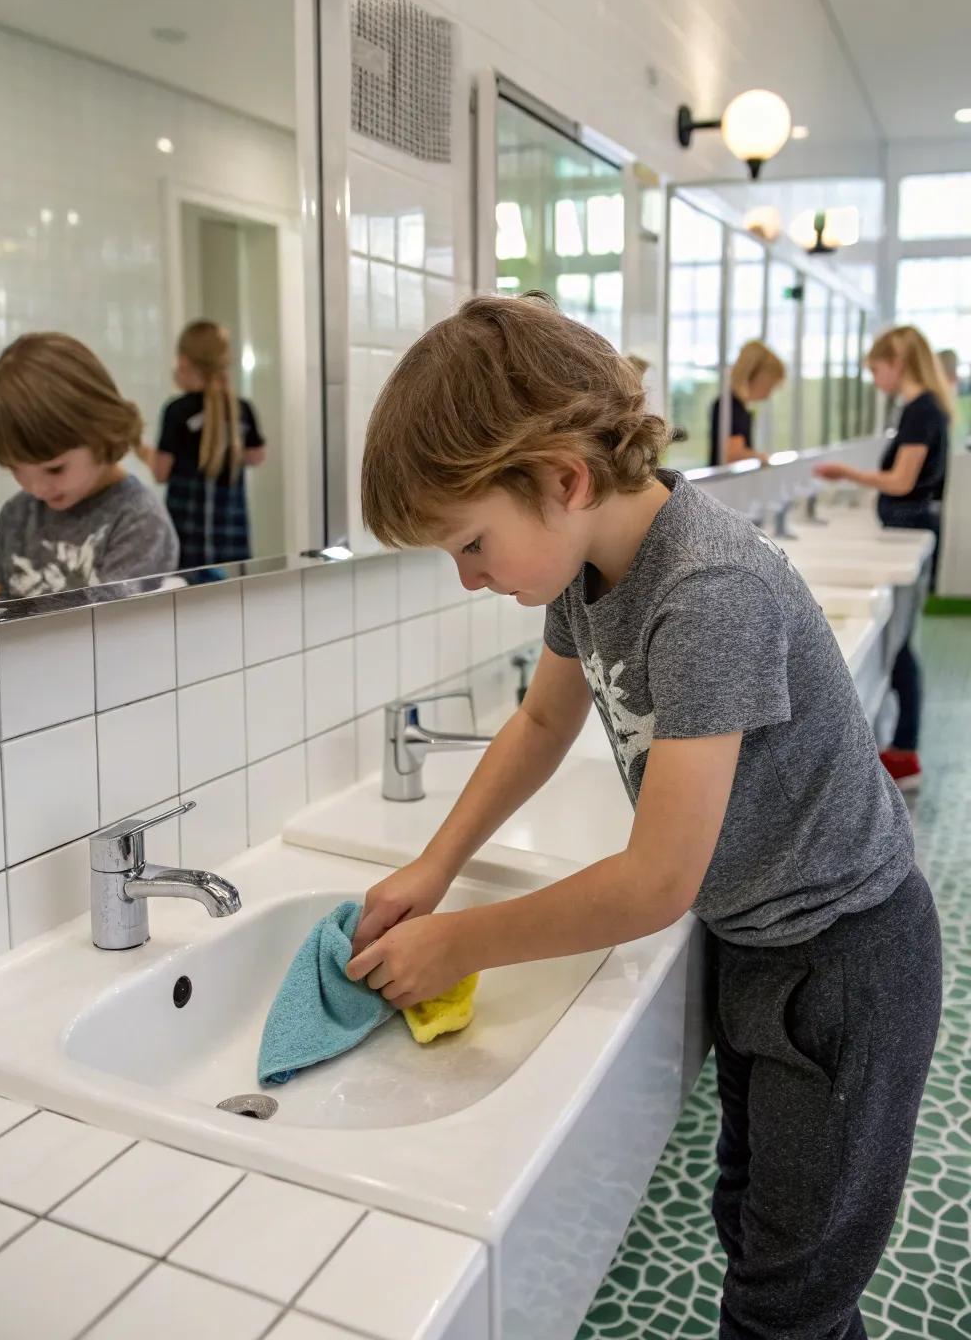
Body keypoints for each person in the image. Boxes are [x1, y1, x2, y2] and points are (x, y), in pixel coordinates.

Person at [346, 293, 941, 1340]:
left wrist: (460, 944)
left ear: (564, 480)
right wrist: (433, 868)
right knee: (754, 1232)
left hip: (846, 964)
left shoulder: (707, 591)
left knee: (788, 1296)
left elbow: (656, 881)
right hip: (758, 944)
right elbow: (539, 725)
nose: (468, 577)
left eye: (472, 544)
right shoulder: (586, 572)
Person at [814, 325, 952, 791]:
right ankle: (901, 747)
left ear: (898, 362)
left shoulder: (920, 411)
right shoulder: (924, 408)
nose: (875, 379)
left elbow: (900, 481)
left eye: (876, 369)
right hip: (912, 528)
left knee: (898, 647)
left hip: (909, 526)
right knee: (899, 645)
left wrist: (847, 473)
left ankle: (904, 754)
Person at [0, 333, 179, 600]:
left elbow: (119, 628)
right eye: (15, 470)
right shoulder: (17, 514)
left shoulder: (139, 520)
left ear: (99, 434)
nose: (37, 489)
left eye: (55, 469)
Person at [140, 321, 266, 571]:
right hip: (232, 543)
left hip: (188, 546)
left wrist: (138, 448)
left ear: (184, 362)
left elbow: (161, 473)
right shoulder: (241, 409)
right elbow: (256, 457)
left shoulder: (177, 411)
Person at [709, 340, 786, 467]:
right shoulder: (730, 407)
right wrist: (760, 457)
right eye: (768, 386)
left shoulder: (741, 408)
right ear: (754, 377)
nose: (768, 394)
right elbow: (733, 454)